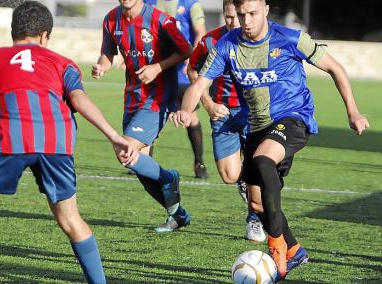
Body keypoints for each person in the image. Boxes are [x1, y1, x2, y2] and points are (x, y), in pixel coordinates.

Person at [174, 0, 369, 281]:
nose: (246, 20)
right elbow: (199, 85)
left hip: (293, 118)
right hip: (257, 127)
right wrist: (185, 109)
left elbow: (335, 68)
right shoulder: (228, 45)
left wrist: (353, 111)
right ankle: (295, 250)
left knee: (262, 160)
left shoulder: (290, 38)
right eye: (241, 15)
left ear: (265, 9)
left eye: (252, 13)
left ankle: (276, 244)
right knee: (256, 206)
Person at [0, 2, 138, 283]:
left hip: (12, 139)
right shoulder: (62, 62)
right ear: (44, 36)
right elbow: (78, 99)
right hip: (58, 142)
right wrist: (114, 137)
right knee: (70, 219)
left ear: (14, 32)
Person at [92, 0, 192, 233]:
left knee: (125, 151)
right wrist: (101, 66)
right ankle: (177, 215)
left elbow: (186, 49)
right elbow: (107, 53)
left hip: (157, 100)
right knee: (140, 166)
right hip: (132, 100)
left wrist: (158, 67)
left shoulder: (160, 20)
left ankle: (170, 178)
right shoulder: (111, 19)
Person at [187, 0, 265, 243]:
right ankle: (245, 183)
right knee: (230, 175)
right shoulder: (211, 41)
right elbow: (192, 71)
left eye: (238, 16)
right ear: (224, 14)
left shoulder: (257, 39)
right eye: (230, 16)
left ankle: (255, 218)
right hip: (222, 112)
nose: (235, 22)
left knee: (257, 167)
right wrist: (208, 104)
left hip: (253, 113)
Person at [144, 0, 208, 178]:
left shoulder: (190, 4)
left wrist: (193, 57)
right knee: (150, 112)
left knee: (191, 117)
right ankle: (144, 161)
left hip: (181, 71)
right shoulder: (148, 3)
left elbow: (200, 33)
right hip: (157, 70)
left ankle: (199, 162)